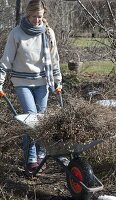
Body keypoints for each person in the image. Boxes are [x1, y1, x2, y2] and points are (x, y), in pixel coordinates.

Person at [0, 0, 62, 171]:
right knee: (31, 119)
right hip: (22, 82)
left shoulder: (48, 33)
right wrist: (0, 81)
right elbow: (6, 61)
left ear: (44, 15)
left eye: (40, 17)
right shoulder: (16, 33)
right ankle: (31, 158)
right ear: (27, 15)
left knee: (42, 120)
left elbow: (54, 59)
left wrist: (58, 79)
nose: (37, 20)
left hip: (43, 82)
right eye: (34, 17)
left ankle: (42, 155)